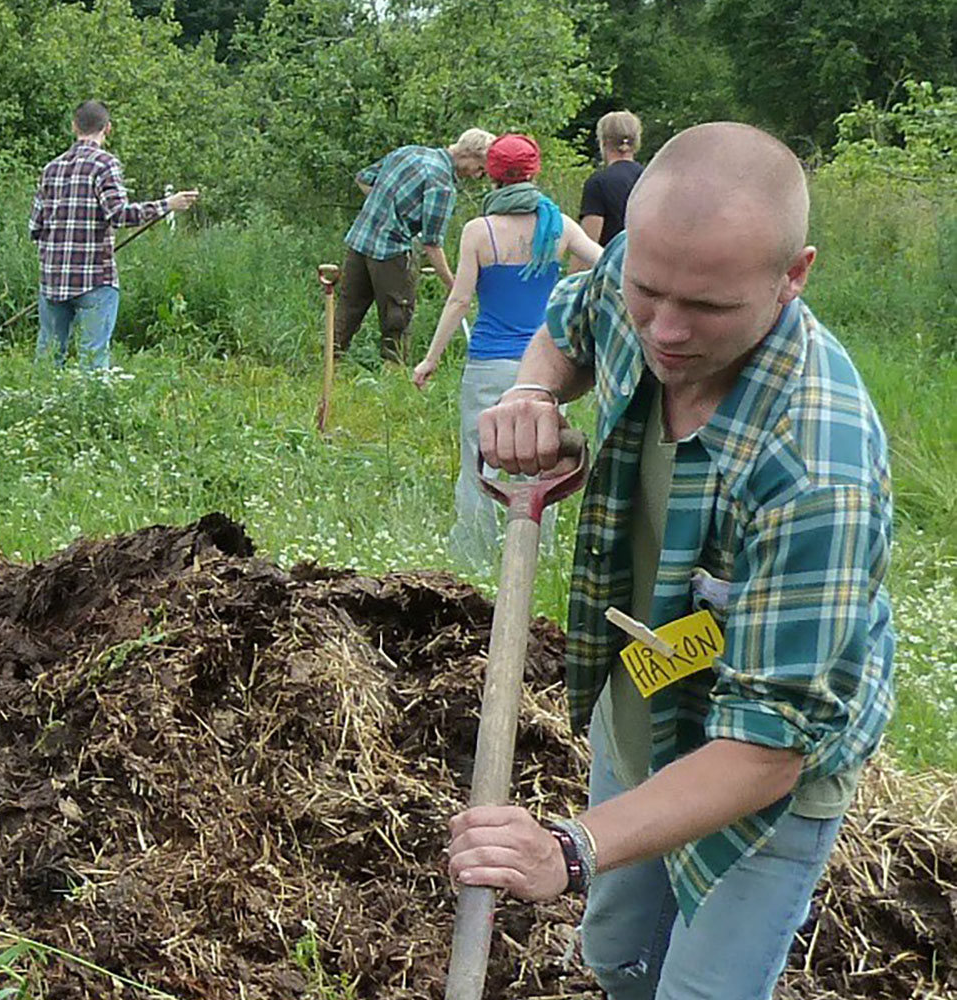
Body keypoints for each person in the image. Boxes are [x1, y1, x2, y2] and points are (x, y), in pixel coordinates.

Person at [449, 123, 894, 1000]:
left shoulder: (817, 469)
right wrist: (533, 391)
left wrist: (570, 846)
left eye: (708, 308)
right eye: (648, 292)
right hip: (645, 695)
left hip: (764, 779)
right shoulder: (637, 274)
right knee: (619, 958)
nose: (666, 329)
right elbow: (570, 324)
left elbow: (767, 747)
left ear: (794, 275)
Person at [411, 133, 602, 567]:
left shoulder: (479, 231)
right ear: (534, 173)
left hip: (488, 363)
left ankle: (474, 553)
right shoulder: (558, 226)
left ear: (492, 175)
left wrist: (430, 358)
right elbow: (609, 265)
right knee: (543, 457)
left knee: (478, 459)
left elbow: (460, 300)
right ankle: (539, 552)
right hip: (545, 369)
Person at [27, 99, 198, 368]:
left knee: (48, 357)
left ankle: (40, 396)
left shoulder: (51, 169)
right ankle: (92, 398)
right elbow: (119, 215)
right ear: (107, 128)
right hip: (95, 278)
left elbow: (35, 227)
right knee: (93, 361)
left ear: (74, 126)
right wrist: (167, 205)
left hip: (52, 280)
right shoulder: (105, 164)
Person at [334, 128, 491, 365]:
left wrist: (385, 209)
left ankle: (328, 368)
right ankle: (394, 377)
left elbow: (364, 179)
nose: (478, 175)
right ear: (467, 154)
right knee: (396, 322)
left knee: (346, 314)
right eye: (479, 168)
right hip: (391, 253)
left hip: (359, 241)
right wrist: (453, 284)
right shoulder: (442, 185)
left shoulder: (409, 152)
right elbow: (432, 244)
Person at [581, 111, 646, 247]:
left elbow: (588, 243)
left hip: (613, 259)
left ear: (603, 142)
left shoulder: (598, 183)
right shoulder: (650, 178)